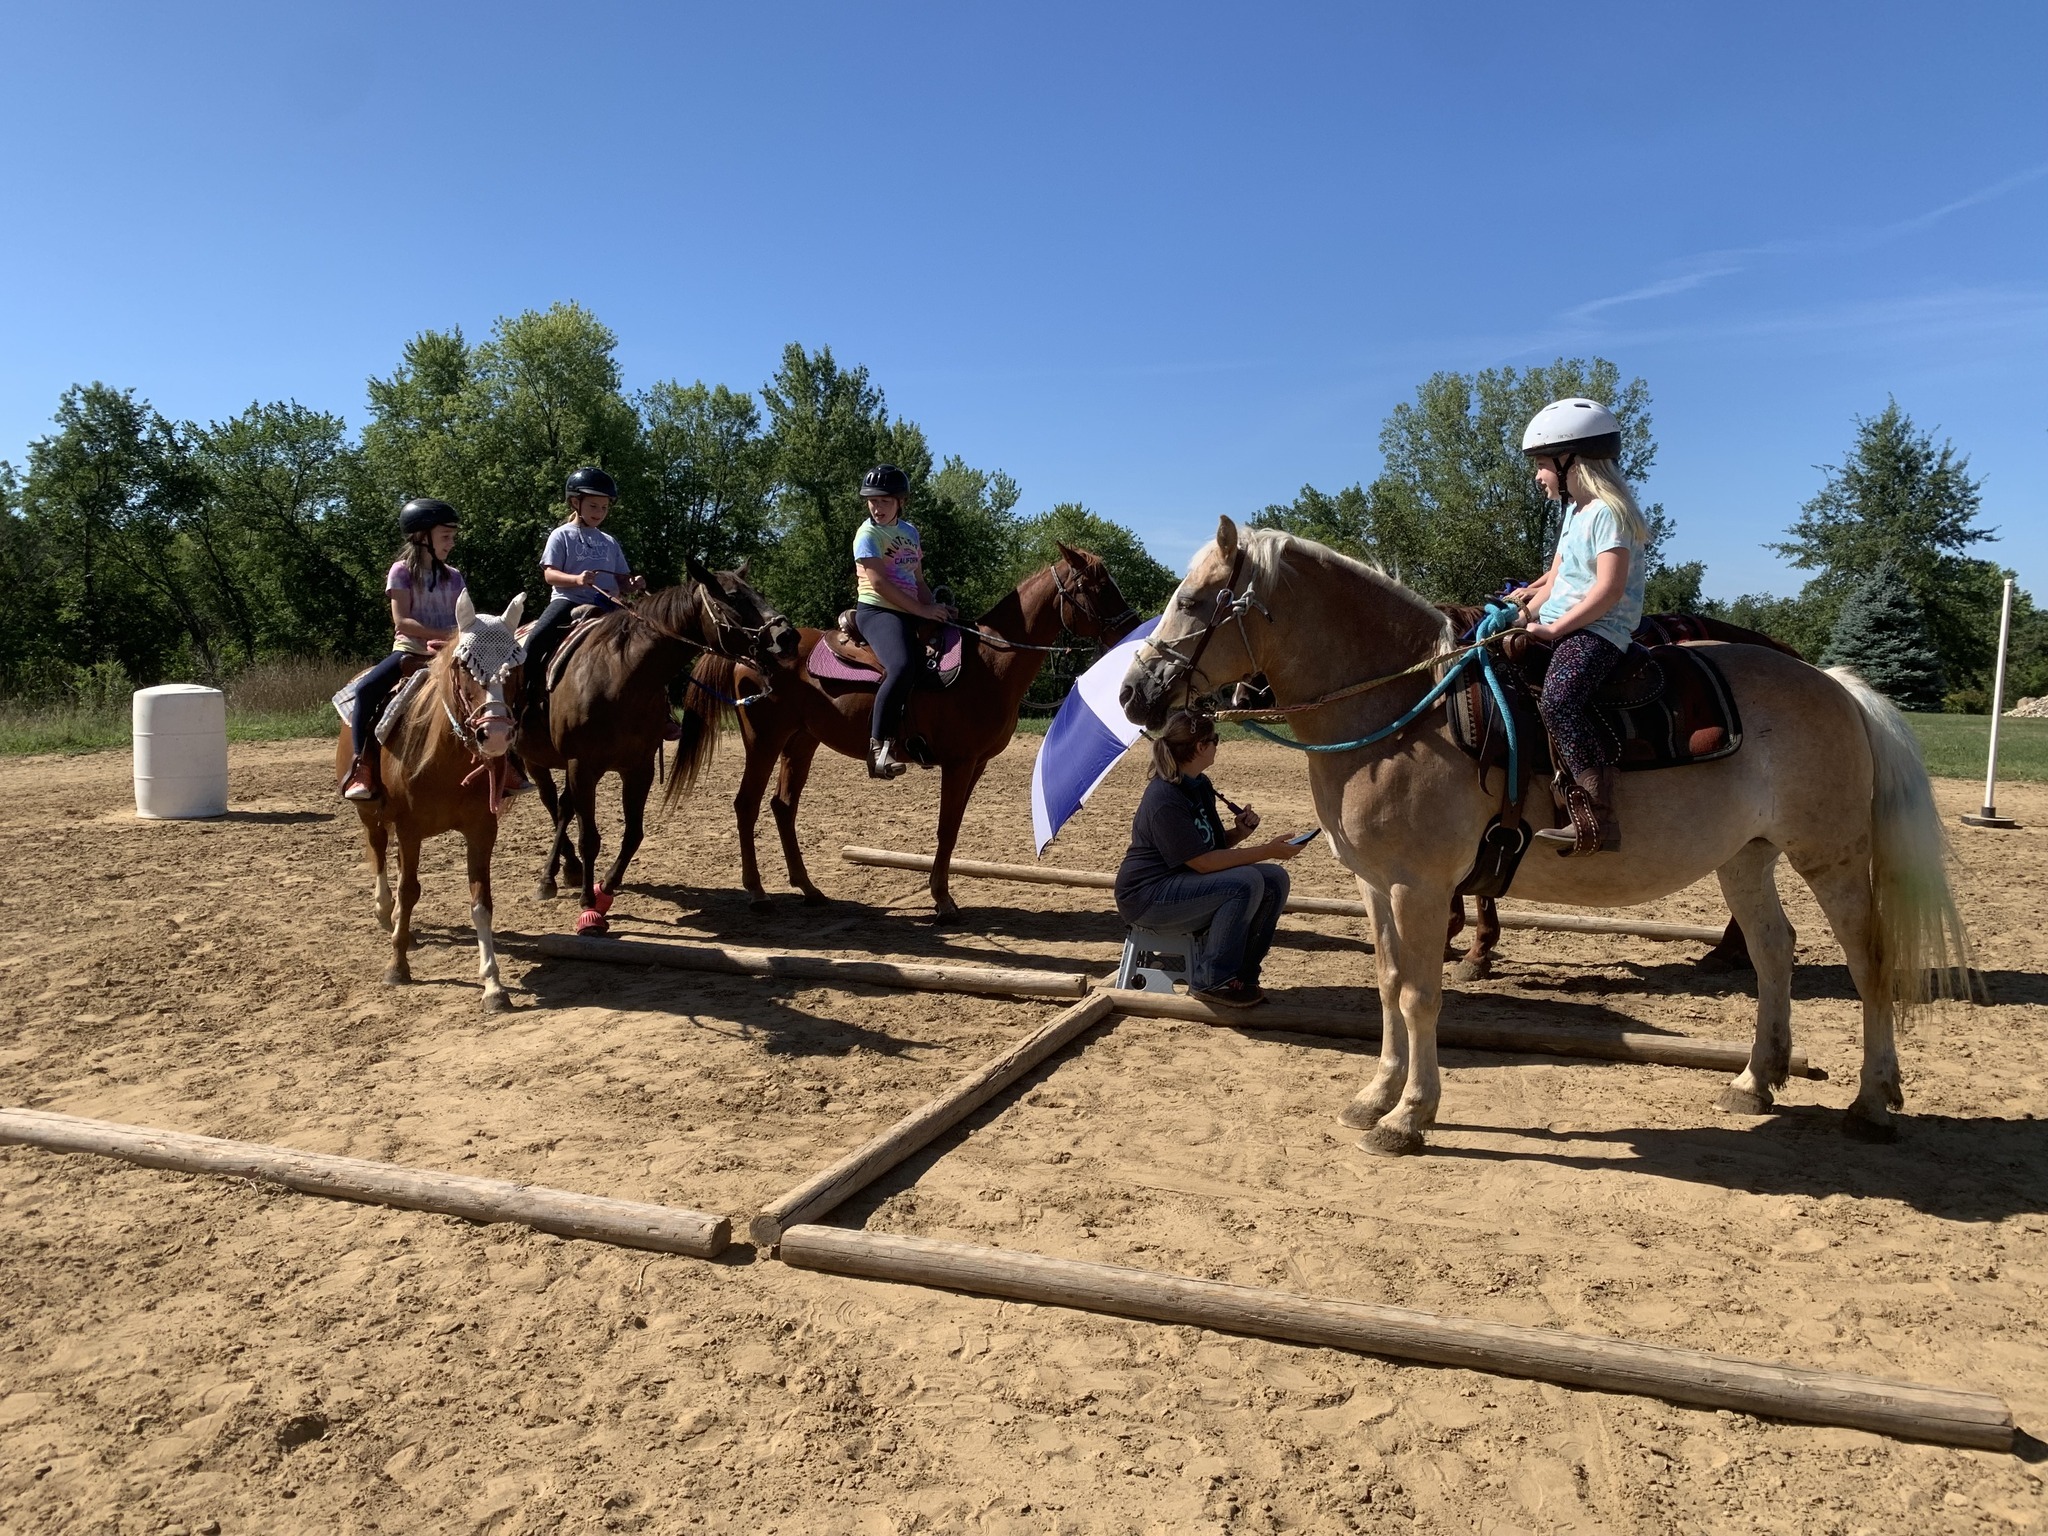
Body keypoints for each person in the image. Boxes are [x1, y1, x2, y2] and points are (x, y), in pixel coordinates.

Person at [1507, 397, 1650, 853]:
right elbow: (1557, 578)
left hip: (1598, 630)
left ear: (1574, 463)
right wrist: (1523, 609)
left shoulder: (1609, 514)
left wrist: (1552, 631)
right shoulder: (1575, 513)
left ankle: (1596, 814)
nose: (1538, 475)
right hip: (1563, 623)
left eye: (1543, 464)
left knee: (1560, 701)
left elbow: (1606, 591)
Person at [1112, 710, 1309, 1008]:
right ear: (1201, 747)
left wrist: (1239, 833)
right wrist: (1267, 850)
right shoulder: (1164, 797)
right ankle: (1213, 980)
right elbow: (1202, 863)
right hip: (1146, 898)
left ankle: (1242, 975)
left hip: (1180, 881)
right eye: (1215, 740)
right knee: (1245, 883)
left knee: (1274, 879)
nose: (1218, 745)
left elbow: (1211, 846)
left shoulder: (1199, 785)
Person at [341, 498, 468, 801]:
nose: (451, 542)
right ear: (423, 537)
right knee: (366, 690)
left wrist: (457, 639)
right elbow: (403, 621)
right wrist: (446, 634)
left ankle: (509, 763)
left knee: (493, 691)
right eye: (445, 536)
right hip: (409, 652)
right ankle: (362, 765)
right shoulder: (401, 571)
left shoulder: (455, 576)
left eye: (452, 537)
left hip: (448, 654)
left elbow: (465, 619)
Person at [521, 466, 652, 721]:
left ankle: (659, 711)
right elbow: (549, 574)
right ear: (575, 502)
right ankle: (524, 699)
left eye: (604, 508)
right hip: (568, 602)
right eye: (593, 506)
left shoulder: (609, 541)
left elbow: (621, 580)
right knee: (535, 641)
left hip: (610, 607)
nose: (599, 513)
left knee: (651, 642)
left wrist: (633, 583)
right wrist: (577, 579)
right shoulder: (561, 535)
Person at [852, 464, 951, 779]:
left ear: (900, 502)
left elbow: (917, 579)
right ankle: (878, 748)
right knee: (902, 666)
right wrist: (922, 613)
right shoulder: (868, 534)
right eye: (872, 501)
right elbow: (879, 584)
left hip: (910, 608)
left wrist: (934, 607)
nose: (876, 507)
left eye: (884, 501)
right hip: (878, 611)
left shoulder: (909, 532)